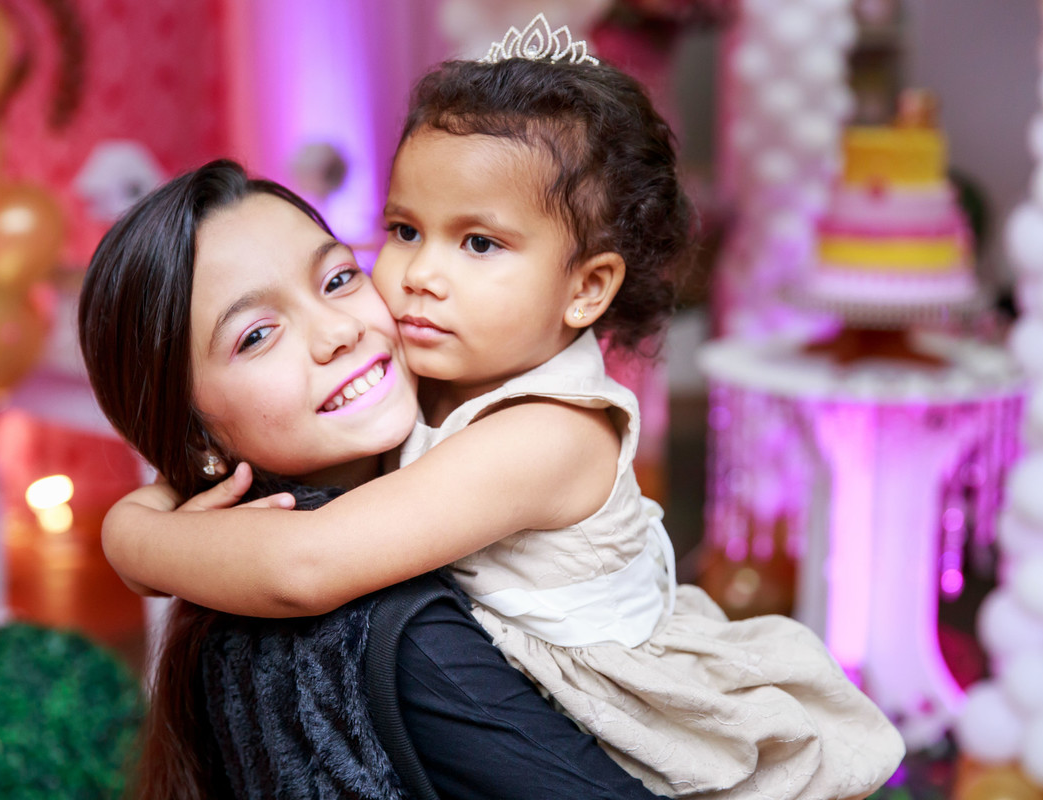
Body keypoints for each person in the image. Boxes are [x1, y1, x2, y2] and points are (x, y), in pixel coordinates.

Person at [104, 19, 905, 799]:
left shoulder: (549, 433)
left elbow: (304, 565)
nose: (419, 275)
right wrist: (148, 508)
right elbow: (209, 476)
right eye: (404, 231)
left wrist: (134, 544)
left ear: (587, 288)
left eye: (479, 244)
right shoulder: (420, 367)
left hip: (641, 736)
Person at [78, 161, 670, 799]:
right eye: (257, 335)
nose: (340, 331)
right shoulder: (394, 634)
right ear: (196, 436)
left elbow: (302, 561)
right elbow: (302, 563)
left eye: (338, 279)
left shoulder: (528, 426)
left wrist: (133, 539)